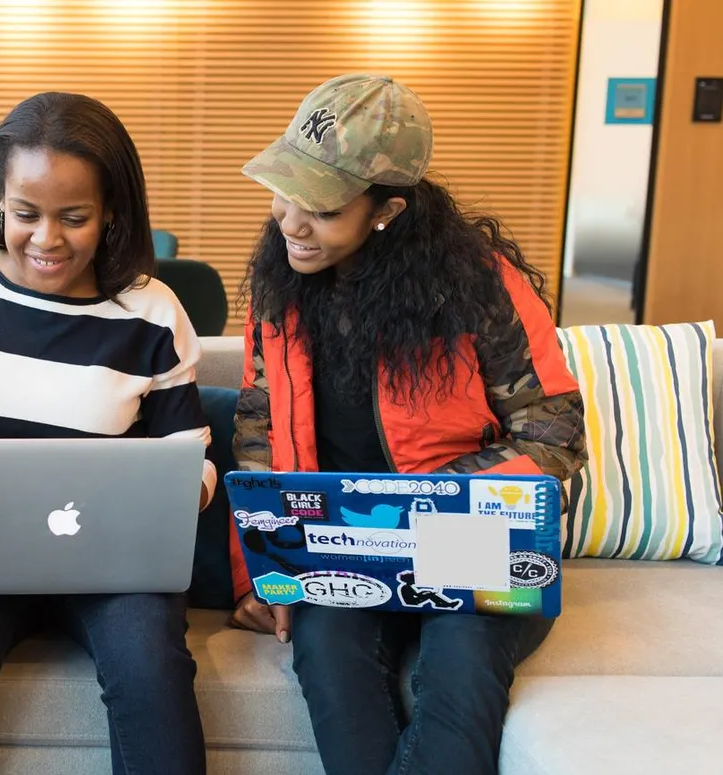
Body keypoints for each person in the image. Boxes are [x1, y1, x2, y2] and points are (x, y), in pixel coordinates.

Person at [228, 74, 588, 775]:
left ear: (387, 209)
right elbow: (257, 424)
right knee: (328, 652)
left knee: (462, 655)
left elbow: (554, 432)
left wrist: (421, 509)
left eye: (323, 208)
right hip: (335, 548)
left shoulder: (479, 287)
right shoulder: (280, 287)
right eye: (284, 191)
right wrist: (260, 571)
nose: (290, 220)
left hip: (472, 540)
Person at [0, 91, 214, 775]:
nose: (47, 239)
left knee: (152, 659)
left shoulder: (152, 311)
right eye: (24, 213)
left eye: (74, 217)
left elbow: (191, 459)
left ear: (112, 210)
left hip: (116, 561)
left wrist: (176, 493)